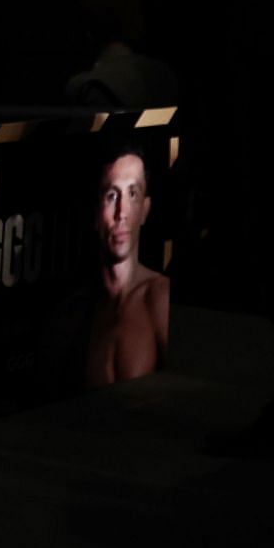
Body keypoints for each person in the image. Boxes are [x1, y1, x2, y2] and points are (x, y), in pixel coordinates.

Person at [84, 148, 169, 386]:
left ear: (145, 209)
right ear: (96, 212)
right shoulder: (79, 313)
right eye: (112, 196)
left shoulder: (159, 296)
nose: (122, 213)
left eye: (133, 194)